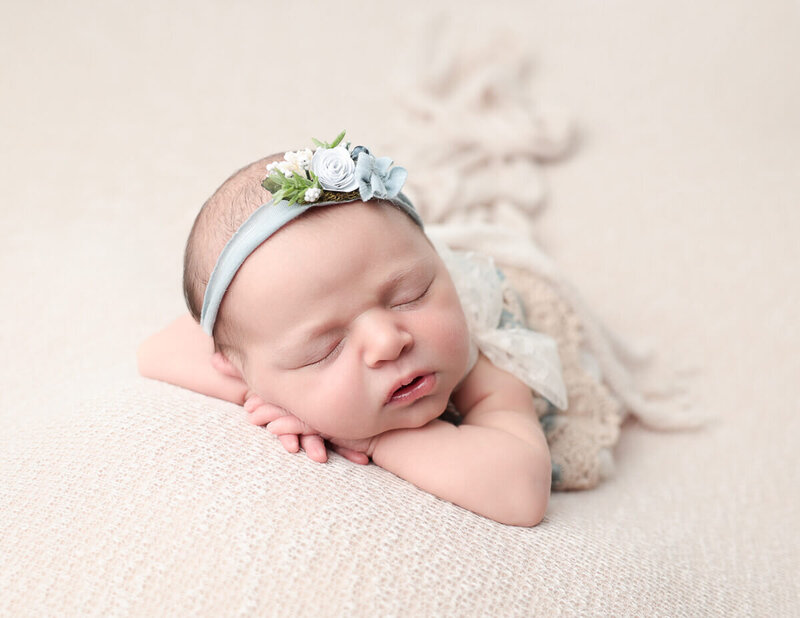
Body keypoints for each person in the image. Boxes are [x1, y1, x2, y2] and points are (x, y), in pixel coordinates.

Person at [138, 132, 568, 526]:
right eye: (324, 349)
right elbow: (156, 351)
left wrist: (371, 441)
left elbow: (521, 491)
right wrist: (265, 393)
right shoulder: (260, 337)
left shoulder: (485, 353)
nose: (387, 341)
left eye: (410, 295)